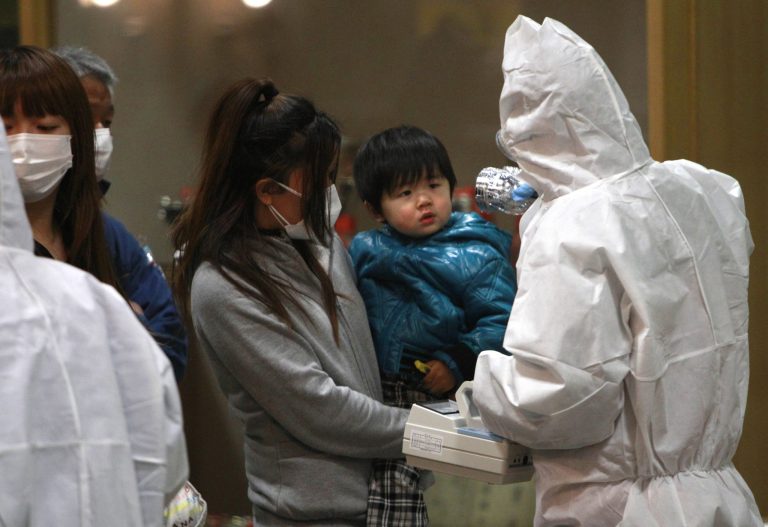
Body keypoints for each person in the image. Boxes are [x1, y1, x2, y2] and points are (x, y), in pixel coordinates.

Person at [471, 16, 761, 526]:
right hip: (717, 495)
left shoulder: (573, 224)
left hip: (621, 506)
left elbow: (562, 400)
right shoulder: (700, 188)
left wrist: (484, 385)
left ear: (525, 129)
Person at [171, 77, 409, 526]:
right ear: (266, 190)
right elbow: (319, 409)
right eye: (318, 180)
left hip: (382, 499)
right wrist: (428, 433)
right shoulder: (223, 285)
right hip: (309, 514)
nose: (329, 190)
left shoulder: (320, 241)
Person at [0, 123, 188, 525]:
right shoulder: (90, 300)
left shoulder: (101, 254)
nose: (26, 140)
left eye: (44, 125)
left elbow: (169, 343)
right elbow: (160, 457)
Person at [348, 125, 517, 525]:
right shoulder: (365, 250)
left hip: (435, 390)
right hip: (372, 390)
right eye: (405, 193)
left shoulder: (475, 252)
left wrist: (457, 359)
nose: (424, 200)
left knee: (417, 494)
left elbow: (503, 321)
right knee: (377, 495)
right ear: (376, 208)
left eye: (434, 186)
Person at [53, 45, 188, 381]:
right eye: (86, 118)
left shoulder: (109, 234)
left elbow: (171, 349)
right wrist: (124, 321)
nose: (99, 134)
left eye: (107, 122)